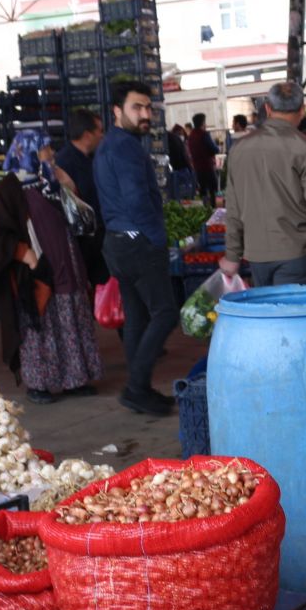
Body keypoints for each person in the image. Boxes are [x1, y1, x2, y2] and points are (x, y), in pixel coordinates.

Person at [0, 129, 103, 404]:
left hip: (67, 266)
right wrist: (27, 256)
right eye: (45, 149)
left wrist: (66, 183)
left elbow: (78, 215)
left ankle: (74, 380)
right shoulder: (10, 189)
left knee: (71, 323)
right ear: (28, 153)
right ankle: (39, 384)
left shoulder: (49, 181)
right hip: (39, 273)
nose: (51, 153)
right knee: (43, 329)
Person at [97, 81, 178, 416]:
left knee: (137, 316)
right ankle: (136, 388)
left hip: (118, 242)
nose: (145, 114)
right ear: (117, 111)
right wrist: (156, 238)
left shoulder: (109, 144)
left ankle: (139, 389)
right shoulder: (126, 148)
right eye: (137, 107)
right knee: (166, 313)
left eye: (148, 107)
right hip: (136, 242)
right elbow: (137, 200)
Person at [219, 82, 306, 287]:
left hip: (257, 256)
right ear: (302, 110)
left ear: (268, 108)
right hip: (298, 253)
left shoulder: (239, 149)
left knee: (268, 307)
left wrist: (232, 254)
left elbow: (233, 207)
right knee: (297, 308)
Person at [54, 108, 109, 286]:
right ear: (87, 135)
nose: (102, 135)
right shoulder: (64, 163)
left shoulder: (92, 158)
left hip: (98, 236)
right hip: (82, 242)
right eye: (99, 131)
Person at [186, 113, 221, 205]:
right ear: (202, 123)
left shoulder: (191, 136)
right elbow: (214, 149)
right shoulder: (204, 134)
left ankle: (205, 208)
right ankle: (215, 207)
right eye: (205, 122)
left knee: (203, 190)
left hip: (197, 168)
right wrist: (218, 148)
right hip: (207, 166)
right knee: (214, 189)